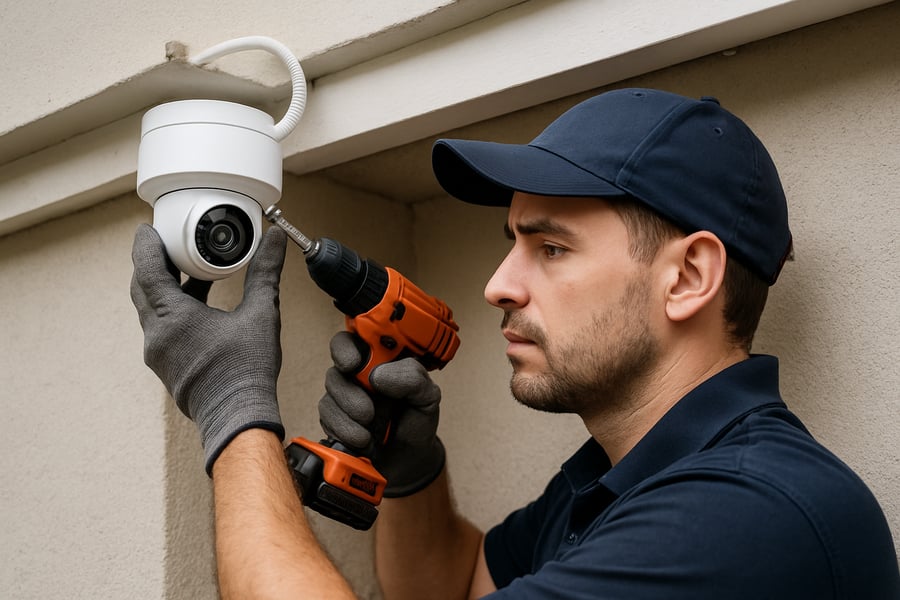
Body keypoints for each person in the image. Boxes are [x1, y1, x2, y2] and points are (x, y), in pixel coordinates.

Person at [131, 88, 900, 599]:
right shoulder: (617, 482)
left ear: (689, 276)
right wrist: (412, 475)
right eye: (510, 243)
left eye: (551, 248)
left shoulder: (746, 516)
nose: (500, 284)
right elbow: (461, 581)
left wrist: (229, 404)